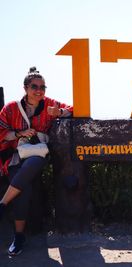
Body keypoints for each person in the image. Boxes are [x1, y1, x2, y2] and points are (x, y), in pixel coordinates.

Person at [0, 67, 73, 256]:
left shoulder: (49, 104)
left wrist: (60, 111)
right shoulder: (11, 108)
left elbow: (75, 108)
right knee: (23, 192)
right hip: (15, 155)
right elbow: (1, 132)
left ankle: (2, 205)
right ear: (25, 88)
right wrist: (19, 133)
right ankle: (19, 237)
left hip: (39, 153)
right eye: (34, 86)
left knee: (35, 161)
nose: (39, 90)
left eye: (43, 87)